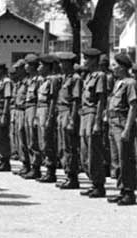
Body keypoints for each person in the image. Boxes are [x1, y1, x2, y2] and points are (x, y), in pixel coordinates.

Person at [105, 53, 137, 206]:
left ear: (123, 67)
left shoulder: (130, 83)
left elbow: (133, 107)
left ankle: (129, 191)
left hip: (122, 122)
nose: (113, 68)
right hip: (113, 122)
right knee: (117, 159)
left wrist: (127, 129)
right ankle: (122, 190)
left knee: (126, 158)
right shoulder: (118, 82)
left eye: (116, 65)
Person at [79, 48, 108, 198]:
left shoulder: (100, 76)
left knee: (93, 152)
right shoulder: (89, 76)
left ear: (94, 61)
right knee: (84, 152)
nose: (85, 62)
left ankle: (98, 184)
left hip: (92, 115)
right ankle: (93, 181)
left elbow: (101, 101)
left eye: (87, 59)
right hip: (84, 114)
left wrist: (98, 122)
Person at [55, 52, 82, 189]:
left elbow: (76, 101)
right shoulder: (65, 78)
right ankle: (67, 174)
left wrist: (72, 120)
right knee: (63, 146)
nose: (60, 65)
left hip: (68, 112)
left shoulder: (75, 78)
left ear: (68, 63)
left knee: (70, 146)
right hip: (62, 111)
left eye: (62, 62)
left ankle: (72, 176)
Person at [36, 54, 60, 183]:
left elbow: (53, 100)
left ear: (47, 67)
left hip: (46, 110)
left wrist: (50, 117)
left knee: (48, 141)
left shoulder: (53, 80)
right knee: (42, 141)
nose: (39, 67)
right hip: (40, 109)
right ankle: (47, 168)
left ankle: (51, 171)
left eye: (41, 65)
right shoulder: (43, 80)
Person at [22, 54, 42, 179]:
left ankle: (36, 167)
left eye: (27, 64)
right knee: (27, 138)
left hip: (34, 108)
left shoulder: (38, 80)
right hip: (27, 108)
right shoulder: (29, 80)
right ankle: (29, 164)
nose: (25, 66)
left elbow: (39, 98)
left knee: (34, 139)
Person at [12, 60, 30, 175]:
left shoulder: (28, 82)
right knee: (19, 138)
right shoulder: (19, 83)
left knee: (24, 137)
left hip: (24, 110)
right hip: (17, 110)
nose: (16, 71)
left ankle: (29, 164)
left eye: (18, 68)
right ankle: (24, 163)